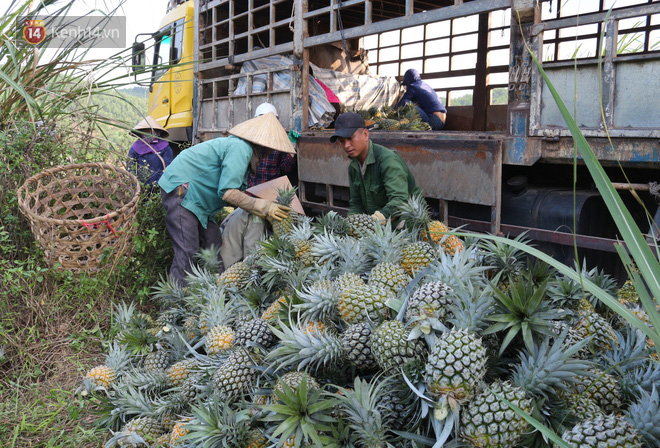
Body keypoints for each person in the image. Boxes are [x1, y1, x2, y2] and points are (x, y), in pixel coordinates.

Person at [158, 112, 296, 285]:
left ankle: (214, 294)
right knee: (188, 252)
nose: (269, 154)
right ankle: (171, 309)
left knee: (213, 244)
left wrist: (262, 210)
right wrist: (265, 207)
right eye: (270, 149)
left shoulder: (243, 151)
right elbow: (228, 192)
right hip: (183, 190)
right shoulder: (241, 148)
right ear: (263, 146)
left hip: (200, 202)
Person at [219, 103, 297, 269]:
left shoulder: (278, 143)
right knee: (242, 230)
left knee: (257, 233)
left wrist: (292, 147)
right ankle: (243, 268)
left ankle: (249, 266)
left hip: (268, 196)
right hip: (248, 197)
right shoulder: (247, 145)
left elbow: (286, 169)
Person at [330, 112, 422, 223]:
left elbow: (400, 202)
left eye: (350, 138)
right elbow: (356, 203)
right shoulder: (353, 167)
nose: (346, 145)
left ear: (365, 134)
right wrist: (352, 224)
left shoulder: (387, 160)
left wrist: (373, 221)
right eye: (342, 141)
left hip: (406, 226)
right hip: (379, 231)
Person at [126, 116, 173, 189]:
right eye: (146, 131)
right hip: (141, 185)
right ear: (141, 133)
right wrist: (135, 183)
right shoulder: (136, 147)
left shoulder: (165, 147)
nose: (149, 133)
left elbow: (169, 168)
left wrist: (158, 183)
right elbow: (130, 165)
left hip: (160, 185)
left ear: (157, 132)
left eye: (151, 131)